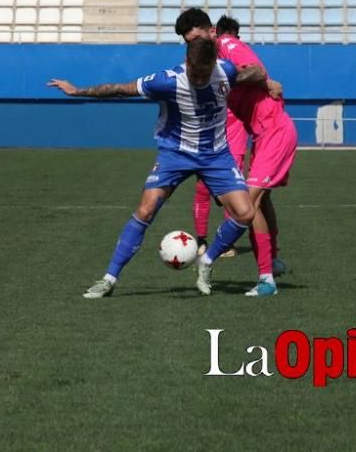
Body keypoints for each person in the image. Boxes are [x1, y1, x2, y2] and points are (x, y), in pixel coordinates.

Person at [48, 37, 267, 298]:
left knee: (245, 213)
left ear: (214, 65)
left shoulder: (225, 70)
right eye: (195, 72)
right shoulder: (167, 81)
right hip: (175, 154)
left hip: (216, 155)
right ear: (187, 62)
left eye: (205, 72)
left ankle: (206, 261)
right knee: (145, 208)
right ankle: (108, 279)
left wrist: (261, 78)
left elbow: (252, 72)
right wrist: (78, 91)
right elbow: (120, 89)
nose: (199, 78)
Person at [175, 9, 298, 298]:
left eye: (195, 38)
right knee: (261, 204)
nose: (193, 45)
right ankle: (272, 265)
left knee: (246, 205)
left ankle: (214, 260)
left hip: (274, 131)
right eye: (188, 42)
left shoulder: (227, 44)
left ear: (209, 30)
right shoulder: (207, 61)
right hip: (263, 134)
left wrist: (251, 80)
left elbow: (256, 71)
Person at [191, 15, 250, 259]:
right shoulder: (207, 60)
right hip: (212, 134)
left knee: (232, 190)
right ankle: (201, 240)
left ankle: (226, 244)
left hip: (235, 134)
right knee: (202, 190)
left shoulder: (236, 61)